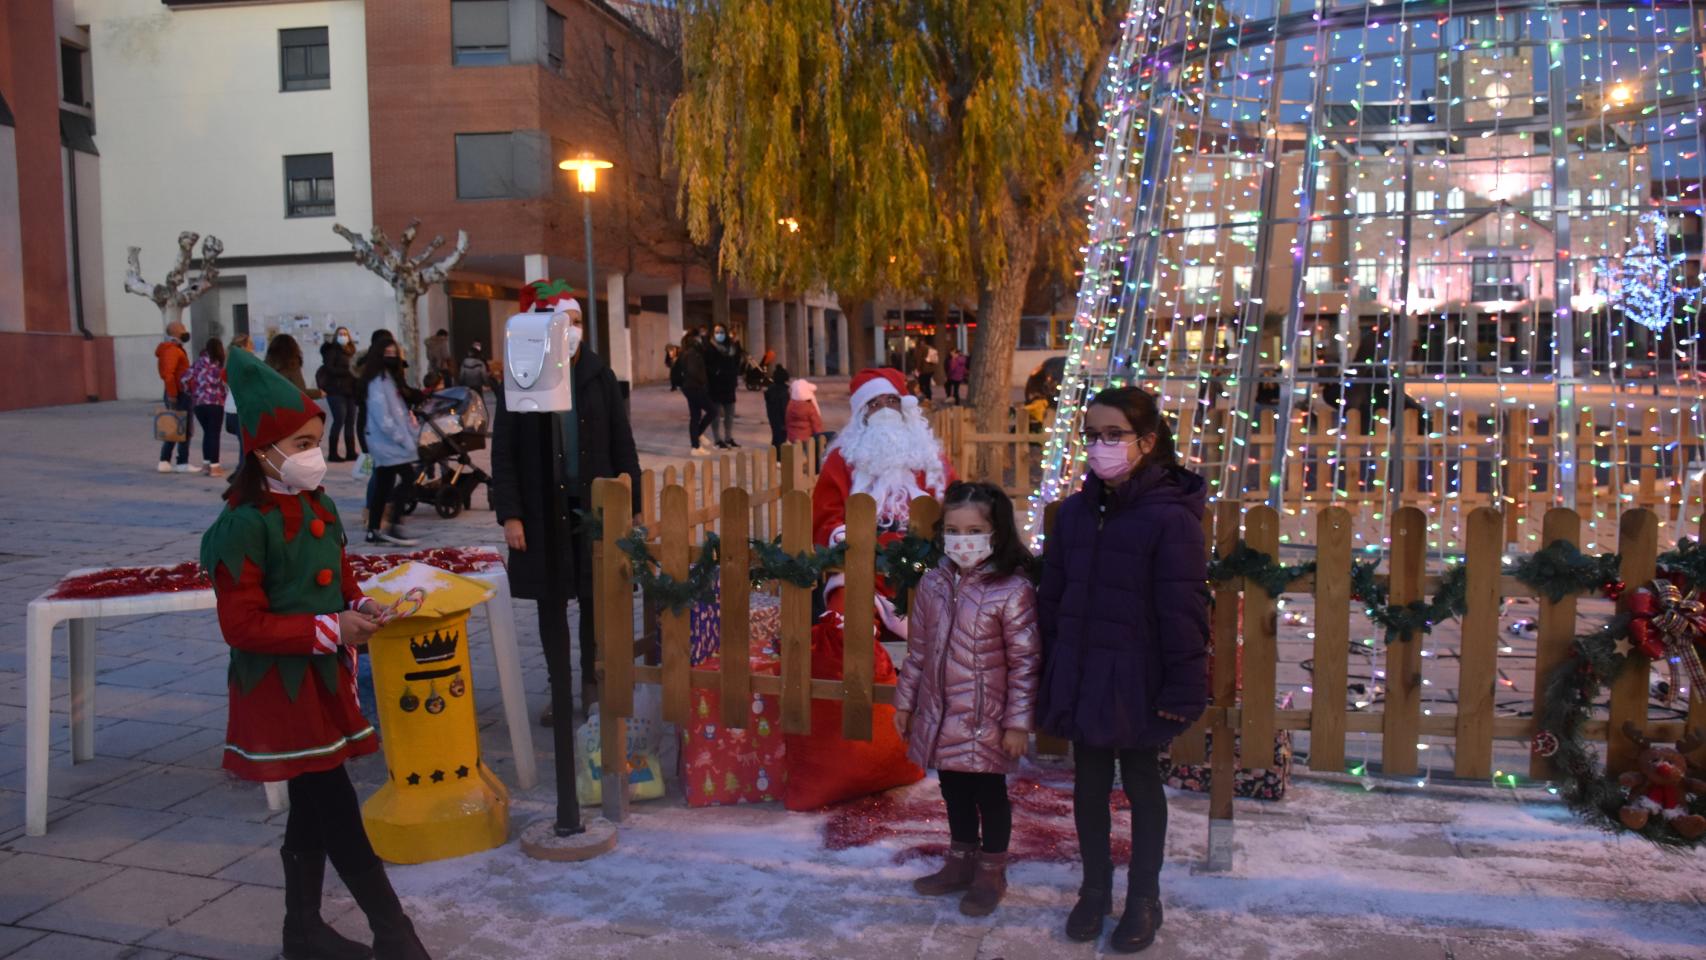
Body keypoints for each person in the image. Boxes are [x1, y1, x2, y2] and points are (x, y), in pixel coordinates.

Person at [200, 348, 430, 960]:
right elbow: (240, 625)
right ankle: (395, 936)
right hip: (280, 688)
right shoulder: (241, 525)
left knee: (311, 800)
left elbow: (338, 574)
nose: (313, 454)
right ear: (262, 450)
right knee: (335, 806)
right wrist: (331, 628)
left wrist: (365, 605)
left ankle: (301, 934)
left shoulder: (318, 504)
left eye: (316, 440)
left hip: (324, 681)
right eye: (300, 442)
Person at [1038, 386, 1208, 953]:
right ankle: (1093, 890)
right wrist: (1051, 666)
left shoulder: (1170, 518)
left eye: (1114, 435)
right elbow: (1053, 597)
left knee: (1141, 784)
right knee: (1088, 785)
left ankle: (1143, 898)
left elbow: (1183, 609)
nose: (1100, 446)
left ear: (1147, 441)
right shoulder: (1077, 513)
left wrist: (1183, 687)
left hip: (1139, 678)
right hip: (1085, 671)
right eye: (1092, 435)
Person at [787, 368, 953, 811]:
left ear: (905, 409)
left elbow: (954, 506)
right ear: (861, 414)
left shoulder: (929, 458)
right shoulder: (843, 459)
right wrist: (842, 536)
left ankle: (940, 730)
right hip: (859, 570)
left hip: (925, 570)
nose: (883, 412)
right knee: (844, 624)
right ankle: (864, 738)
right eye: (873, 405)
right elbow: (824, 516)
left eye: (891, 403)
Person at [490, 295, 642, 729]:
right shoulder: (524, 375)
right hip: (542, 511)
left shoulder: (599, 376)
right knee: (551, 604)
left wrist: (632, 504)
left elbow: (622, 441)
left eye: (577, 321)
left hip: (592, 511)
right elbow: (504, 452)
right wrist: (511, 514)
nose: (571, 329)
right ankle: (559, 691)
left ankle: (591, 687)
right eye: (563, 321)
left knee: (596, 603)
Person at [894, 480, 1040, 917]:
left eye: (973, 530)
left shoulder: (1012, 590)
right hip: (942, 715)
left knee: (988, 794)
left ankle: (991, 869)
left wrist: (1017, 723)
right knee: (953, 788)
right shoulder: (934, 585)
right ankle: (960, 861)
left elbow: (1025, 662)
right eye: (953, 531)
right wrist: (906, 702)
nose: (963, 541)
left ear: (996, 533)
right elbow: (918, 651)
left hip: (988, 719)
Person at [360, 339, 421, 546]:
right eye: (387, 352)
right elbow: (383, 416)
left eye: (394, 352)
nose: (392, 356)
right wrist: (402, 438)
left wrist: (409, 431)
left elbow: (397, 410)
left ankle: (374, 529)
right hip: (386, 442)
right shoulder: (378, 381)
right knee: (406, 477)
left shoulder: (387, 379)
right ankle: (393, 523)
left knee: (384, 485)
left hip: (389, 441)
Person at [186, 338, 228, 477]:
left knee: (207, 434)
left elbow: (184, 378)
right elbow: (225, 381)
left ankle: (206, 464)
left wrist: (192, 391)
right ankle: (215, 467)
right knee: (214, 434)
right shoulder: (219, 365)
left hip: (199, 403)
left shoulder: (198, 362)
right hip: (215, 402)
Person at [157, 320, 195, 473]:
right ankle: (180, 461)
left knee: (176, 427)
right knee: (181, 428)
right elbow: (169, 374)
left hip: (179, 392)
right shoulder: (172, 350)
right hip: (178, 393)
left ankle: (167, 460)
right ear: (174, 332)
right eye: (182, 329)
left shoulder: (175, 349)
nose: (185, 331)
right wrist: (173, 395)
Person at [318, 327, 360, 463]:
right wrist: (348, 371)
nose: (343, 336)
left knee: (350, 421)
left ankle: (351, 451)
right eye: (341, 334)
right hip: (336, 390)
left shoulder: (352, 351)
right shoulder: (332, 351)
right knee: (339, 419)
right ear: (336, 336)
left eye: (346, 334)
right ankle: (333, 453)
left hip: (350, 390)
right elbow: (330, 368)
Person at [703, 322, 744, 448]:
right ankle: (717, 439)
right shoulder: (710, 347)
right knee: (715, 413)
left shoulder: (731, 346)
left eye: (721, 332)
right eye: (717, 332)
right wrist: (717, 372)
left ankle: (728, 437)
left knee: (729, 413)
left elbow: (737, 360)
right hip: (715, 385)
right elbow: (707, 365)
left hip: (729, 384)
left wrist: (737, 344)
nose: (719, 334)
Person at [676, 331, 715, 456]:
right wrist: (703, 380)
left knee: (695, 415)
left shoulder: (688, 352)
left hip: (690, 387)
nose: (700, 339)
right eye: (698, 337)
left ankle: (695, 446)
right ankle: (697, 436)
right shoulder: (692, 353)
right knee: (712, 411)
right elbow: (693, 371)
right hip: (694, 387)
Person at [226, 335, 254, 440]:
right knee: (245, 451)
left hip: (231, 408)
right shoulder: (245, 363)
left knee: (244, 449)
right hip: (242, 410)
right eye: (250, 344)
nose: (253, 347)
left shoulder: (230, 362)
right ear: (243, 347)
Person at [786, 375, 825, 444]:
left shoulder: (790, 405)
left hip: (793, 437)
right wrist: (820, 436)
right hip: (807, 438)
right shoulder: (809, 406)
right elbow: (816, 424)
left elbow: (787, 420)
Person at [764, 364, 793, 449]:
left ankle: (774, 454)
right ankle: (778, 456)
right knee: (781, 439)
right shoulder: (784, 392)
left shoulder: (770, 390)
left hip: (772, 417)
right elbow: (784, 407)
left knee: (775, 436)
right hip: (781, 418)